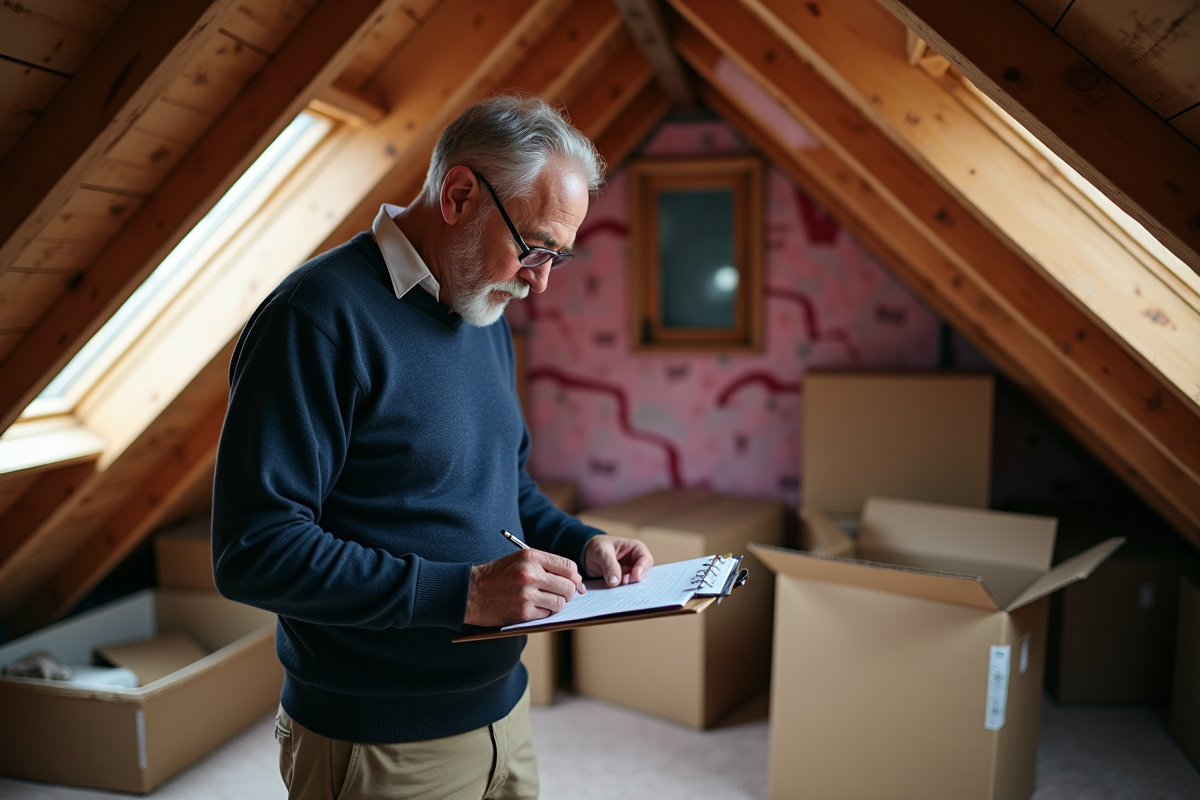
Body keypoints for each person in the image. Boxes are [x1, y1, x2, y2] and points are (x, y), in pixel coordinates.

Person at [211, 95, 654, 800]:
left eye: (557, 259)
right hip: (377, 743)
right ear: (458, 195)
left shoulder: (485, 305)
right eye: (534, 247)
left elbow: (499, 484)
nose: (538, 281)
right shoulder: (315, 319)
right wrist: (465, 593)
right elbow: (253, 551)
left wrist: (582, 541)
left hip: (505, 713)